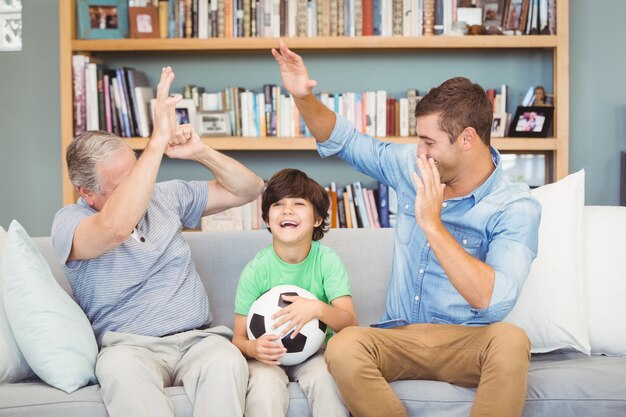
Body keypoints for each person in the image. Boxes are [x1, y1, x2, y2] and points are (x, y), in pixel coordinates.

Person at [272, 40, 541, 417]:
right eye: (419, 139)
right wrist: (302, 98)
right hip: (398, 335)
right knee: (344, 345)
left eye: (429, 142)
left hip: (467, 341)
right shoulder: (413, 166)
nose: (419, 152)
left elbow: (492, 299)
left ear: (467, 138)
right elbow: (346, 141)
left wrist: (432, 223)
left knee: (512, 341)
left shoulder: (514, 206)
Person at [52, 67, 264, 417]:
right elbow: (114, 229)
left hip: (198, 340)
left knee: (226, 361)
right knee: (117, 371)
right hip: (129, 348)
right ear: (87, 193)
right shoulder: (70, 223)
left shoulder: (167, 196)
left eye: (138, 169)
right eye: (126, 181)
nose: (141, 183)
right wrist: (157, 141)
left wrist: (201, 152)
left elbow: (249, 189)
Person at [232, 168, 357, 417]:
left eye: (298, 203)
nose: (287, 210)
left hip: (316, 354)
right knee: (264, 389)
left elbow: (350, 322)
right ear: (268, 219)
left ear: (317, 219)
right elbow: (238, 338)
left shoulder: (326, 261)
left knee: (328, 381)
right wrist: (253, 349)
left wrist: (317, 308)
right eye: (278, 204)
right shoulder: (256, 270)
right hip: (267, 360)